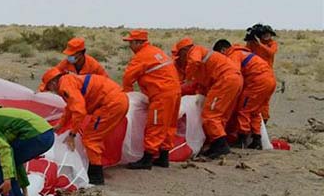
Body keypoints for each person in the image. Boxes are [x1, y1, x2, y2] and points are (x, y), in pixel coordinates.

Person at [40, 69, 129, 185]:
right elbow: (70, 108)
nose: (52, 92)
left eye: (49, 89)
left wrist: (72, 134)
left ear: (52, 83)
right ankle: (95, 170)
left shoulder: (65, 86)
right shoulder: (68, 81)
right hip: (118, 101)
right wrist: (60, 125)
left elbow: (79, 111)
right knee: (94, 136)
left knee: (90, 139)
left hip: (111, 105)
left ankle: (96, 176)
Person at [172, 37, 243, 159]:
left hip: (225, 80)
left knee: (210, 115)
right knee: (220, 115)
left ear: (184, 51)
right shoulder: (205, 61)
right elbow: (199, 84)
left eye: (180, 56)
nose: (181, 61)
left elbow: (194, 63)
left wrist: (188, 77)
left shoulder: (195, 51)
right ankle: (216, 144)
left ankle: (221, 146)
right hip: (233, 80)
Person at [121, 29, 182, 169]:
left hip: (161, 94)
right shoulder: (156, 51)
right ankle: (164, 157)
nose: (130, 46)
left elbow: (128, 77)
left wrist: (127, 97)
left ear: (138, 42)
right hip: (175, 92)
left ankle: (147, 159)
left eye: (131, 42)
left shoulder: (141, 56)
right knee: (169, 124)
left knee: (155, 124)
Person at [212, 39, 276, 150]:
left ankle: (242, 139)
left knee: (244, 109)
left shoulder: (233, 55)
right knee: (255, 111)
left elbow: (234, 73)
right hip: (270, 80)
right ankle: (256, 139)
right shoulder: (243, 52)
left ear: (223, 50)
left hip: (257, 81)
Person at [38, 37, 108, 92]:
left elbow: (106, 82)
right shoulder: (65, 63)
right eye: (68, 54)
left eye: (72, 54)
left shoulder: (94, 66)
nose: (69, 57)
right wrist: (42, 89)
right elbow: (52, 75)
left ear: (80, 54)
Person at [245, 24, 278, 123]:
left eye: (268, 34)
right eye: (264, 34)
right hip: (254, 74)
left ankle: (264, 120)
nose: (266, 36)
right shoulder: (255, 43)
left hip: (267, 74)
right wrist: (251, 40)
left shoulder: (272, 43)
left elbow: (271, 53)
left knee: (264, 101)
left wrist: (260, 44)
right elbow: (246, 51)